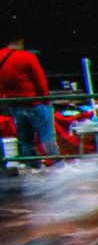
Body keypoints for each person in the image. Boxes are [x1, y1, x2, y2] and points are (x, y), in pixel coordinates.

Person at [0, 30, 52, 158]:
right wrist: (45, 100)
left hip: (14, 104)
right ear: (20, 41)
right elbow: (40, 80)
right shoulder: (27, 56)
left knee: (25, 140)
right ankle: (57, 164)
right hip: (34, 102)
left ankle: (32, 166)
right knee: (46, 136)